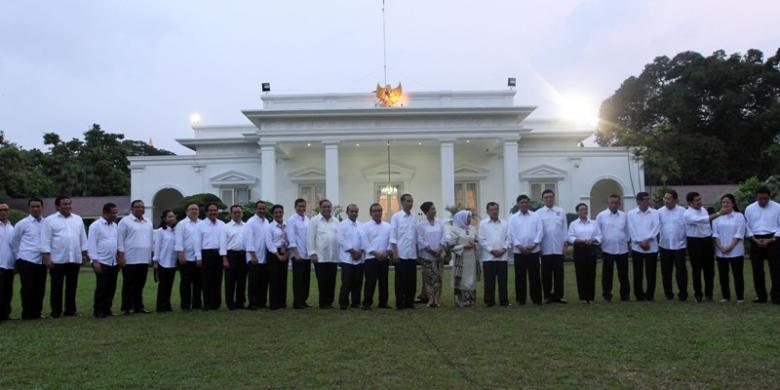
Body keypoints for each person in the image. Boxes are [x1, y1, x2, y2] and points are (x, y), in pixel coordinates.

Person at [41, 196, 87, 318]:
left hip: (74, 259)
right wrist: (47, 258)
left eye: (69, 204)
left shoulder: (77, 219)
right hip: (57, 259)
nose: (67, 206)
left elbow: (82, 238)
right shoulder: (49, 220)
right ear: (57, 206)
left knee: (72, 286)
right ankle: (56, 311)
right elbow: (45, 240)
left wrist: (84, 253)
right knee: (56, 287)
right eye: (64, 204)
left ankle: (70, 310)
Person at [11, 198, 47, 320]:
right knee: (27, 288)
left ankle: (37, 312)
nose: (36, 208)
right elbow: (15, 242)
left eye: (38, 206)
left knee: (40, 288)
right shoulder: (22, 224)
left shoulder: (46, 223)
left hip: (41, 261)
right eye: (33, 206)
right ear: (29, 208)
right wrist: (19, 257)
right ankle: (27, 313)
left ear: (42, 207)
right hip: (27, 260)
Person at [744, 187, 780, 303]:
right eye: (760, 199)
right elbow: (746, 226)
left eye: (765, 199)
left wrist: (772, 239)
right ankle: (761, 296)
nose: (763, 201)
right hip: (756, 239)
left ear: (770, 196)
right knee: (757, 270)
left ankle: (776, 297)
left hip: (774, 239)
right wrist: (755, 239)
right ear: (756, 197)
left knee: (776, 269)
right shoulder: (749, 208)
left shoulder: (778, 207)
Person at [118, 200, 154, 314]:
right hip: (130, 259)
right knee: (128, 284)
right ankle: (126, 307)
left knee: (140, 284)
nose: (140, 209)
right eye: (137, 207)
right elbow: (120, 240)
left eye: (142, 207)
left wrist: (151, 255)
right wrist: (121, 256)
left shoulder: (148, 222)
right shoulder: (125, 221)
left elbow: (151, 240)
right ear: (132, 208)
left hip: (143, 258)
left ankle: (139, 307)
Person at [507, 194, 544, 305]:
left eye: (526, 202)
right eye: (522, 202)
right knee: (520, 276)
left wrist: (533, 245)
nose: (524, 204)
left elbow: (540, 231)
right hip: (519, 252)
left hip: (534, 251)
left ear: (529, 203)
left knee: (535, 276)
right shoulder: (512, 218)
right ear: (518, 204)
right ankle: (521, 299)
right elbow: (511, 234)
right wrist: (520, 246)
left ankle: (536, 299)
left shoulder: (536, 216)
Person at [684, 191, 719, 302]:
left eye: (700, 199)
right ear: (690, 202)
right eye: (697, 200)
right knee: (697, 270)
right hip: (695, 242)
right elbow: (701, 221)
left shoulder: (703, 210)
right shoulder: (687, 213)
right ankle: (698, 294)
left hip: (707, 240)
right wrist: (719, 213)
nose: (700, 202)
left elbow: (707, 225)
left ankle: (709, 294)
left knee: (709, 269)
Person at [596, 194, 631, 302]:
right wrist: (600, 244)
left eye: (616, 202)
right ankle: (607, 295)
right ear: (608, 203)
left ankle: (625, 295)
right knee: (607, 274)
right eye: (612, 202)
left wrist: (628, 243)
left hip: (622, 249)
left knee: (624, 274)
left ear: (619, 203)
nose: (614, 204)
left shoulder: (624, 216)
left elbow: (627, 231)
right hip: (607, 249)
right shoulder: (601, 216)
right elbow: (598, 231)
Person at [712, 194, 747, 303]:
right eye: (723, 202)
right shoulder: (716, 217)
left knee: (738, 274)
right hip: (721, 251)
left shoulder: (739, 216)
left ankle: (740, 297)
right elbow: (715, 234)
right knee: (723, 275)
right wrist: (721, 247)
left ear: (733, 203)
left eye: (728, 202)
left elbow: (739, 233)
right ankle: (725, 296)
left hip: (736, 250)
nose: (726, 204)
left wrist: (730, 247)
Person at [627, 192, 660, 301]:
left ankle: (650, 294)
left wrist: (647, 239)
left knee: (651, 272)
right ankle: (639, 295)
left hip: (651, 246)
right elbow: (631, 229)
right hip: (637, 247)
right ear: (638, 201)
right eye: (645, 199)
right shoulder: (631, 214)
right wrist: (639, 241)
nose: (648, 201)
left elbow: (656, 227)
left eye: (648, 199)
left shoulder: (655, 213)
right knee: (638, 272)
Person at [87, 203, 119, 318]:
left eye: (116, 212)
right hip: (101, 261)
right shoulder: (95, 226)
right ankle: (98, 310)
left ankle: (107, 309)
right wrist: (95, 261)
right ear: (105, 212)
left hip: (113, 261)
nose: (115, 215)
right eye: (113, 212)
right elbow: (91, 244)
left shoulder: (115, 226)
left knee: (111, 287)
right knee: (102, 287)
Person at [307, 199, 340, 309]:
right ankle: (323, 302)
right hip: (320, 257)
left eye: (328, 207)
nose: (327, 209)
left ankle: (329, 302)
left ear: (331, 208)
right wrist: (312, 253)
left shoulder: (335, 221)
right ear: (320, 208)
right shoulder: (314, 221)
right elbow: (310, 238)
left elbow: (338, 238)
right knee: (322, 280)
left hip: (333, 256)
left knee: (332, 280)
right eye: (324, 207)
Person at [657, 190, 688, 301]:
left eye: (668, 198)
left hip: (679, 245)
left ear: (675, 200)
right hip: (664, 245)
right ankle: (668, 294)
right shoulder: (659, 212)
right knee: (666, 272)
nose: (666, 201)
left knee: (681, 271)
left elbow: (687, 228)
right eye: (665, 198)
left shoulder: (683, 211)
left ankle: (683, 293)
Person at [538, 189, 568, 304]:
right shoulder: (538, 213)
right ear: (542, 199)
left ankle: (559, 296)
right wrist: (539, 247)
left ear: (554, 198)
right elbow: (538, 231)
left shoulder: (561, 211)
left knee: (559, 274)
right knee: (546, 274)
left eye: (551, 197)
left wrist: (565, 244)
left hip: (558, 248)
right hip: (545, 248)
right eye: (546, 197)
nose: (549, 199)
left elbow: (564, 228)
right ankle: (547, 296)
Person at [478, 202, 511, 307]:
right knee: (489, 281)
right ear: (487, 211)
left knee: (503, 281)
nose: (494, 211)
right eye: (492, 209)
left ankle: (504, 301)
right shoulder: (483, 224)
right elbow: (481, 239)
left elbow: (509, 238)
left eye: (496, 209)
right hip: (488, 257)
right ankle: (489, 301)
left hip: (502, 257)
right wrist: (491, 250)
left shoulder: (505, 223)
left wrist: (503, 249)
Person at [360, 203, 392, 309]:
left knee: (384, 282)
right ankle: (367, 303)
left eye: (379, 210)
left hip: (384, 258)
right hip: (371, 258)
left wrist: (387, 252)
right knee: (370, 282)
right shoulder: (365, 226)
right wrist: (375, 253)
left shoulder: (388, 226)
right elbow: (364, 242)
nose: (378, 212)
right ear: (370, 213)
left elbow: (390, 241)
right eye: (375, 211)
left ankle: (383, 303)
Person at [568, 203, 601, 304]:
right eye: (581, 210)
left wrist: (593, 239)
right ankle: (582, 297)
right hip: (579, 248)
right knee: (580, 273)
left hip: (591, 248)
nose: (584, 211)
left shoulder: (594, 223)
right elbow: (570, 237)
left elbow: (600, 235)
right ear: (577, 211)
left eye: (585, 209)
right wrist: (581, 241)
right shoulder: (573, 224)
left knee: (591, 273)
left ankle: (590, 297)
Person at [391, 193, 418, 310]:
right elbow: (393, 237)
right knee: (400, 281)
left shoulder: (415, 217)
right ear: (402, 203)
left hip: (412, 254)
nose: (410, 203)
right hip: (401, 254)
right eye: (407, 201)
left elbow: (416, 237)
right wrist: (395, 254)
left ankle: (410, 302)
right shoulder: (396, 217)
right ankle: (400, 303)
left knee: (412, 281)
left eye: (411, 201)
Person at [417, 202, 446, 308]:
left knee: (438, 277)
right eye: (432, 209)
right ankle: (430, 299)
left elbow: (444, 236)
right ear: (427, 212)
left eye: (435, 209)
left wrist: (440, 247)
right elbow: (420, 238)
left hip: (439, 254)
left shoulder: (440, 222)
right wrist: (429, 249)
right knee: (429, 278)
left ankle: (437, 299)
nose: (435, 211)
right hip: (427, 256)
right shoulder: (421, 224)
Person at [175, 201, 202, 311]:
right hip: (186, 258)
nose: (194, 211)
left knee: (198, 283)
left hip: (199, 258)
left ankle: (197, 304)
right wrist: (181, 255)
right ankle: (185, 305)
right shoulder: (181, 224)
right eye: (192, 209)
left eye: (196, 209)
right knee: (186, 283)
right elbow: (178, 240)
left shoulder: (202, 223)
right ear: (186, 211)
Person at [448, 210, 479, 307]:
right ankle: (460, 300)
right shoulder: (454, 230)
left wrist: (475, 244)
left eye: (470, 217)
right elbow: (450, 246)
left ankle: (470, 300)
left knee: (471, 278)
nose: (469, 220)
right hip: (461, 260)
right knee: (461, 279)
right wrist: (463, 246)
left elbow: (478, 242)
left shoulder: (473, 229)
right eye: (467, 218)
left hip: (472, 259)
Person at [199, 202, 225, 310]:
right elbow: (197, 242)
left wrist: (224, 256)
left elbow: (224, 242)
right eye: (211, 210)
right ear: (206, 212)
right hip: (206, 254)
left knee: (217, 279)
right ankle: (208, 303)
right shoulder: (201, 224)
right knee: (206, 280)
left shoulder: (222, 224)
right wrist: (198, 257)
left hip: (218, 254)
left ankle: (216, 303)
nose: (213, 212)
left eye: (215, 210)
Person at [338, 204, 364, 309]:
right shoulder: (342, 225)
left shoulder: (361, 225)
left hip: (359, 258)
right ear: (347, 212)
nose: (354, 213)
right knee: (347, 282)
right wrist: (352, 251)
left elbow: (364, 239)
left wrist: (360, 251)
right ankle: (343, 303)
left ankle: (356, 302)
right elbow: (340, 239)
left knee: (358, 282)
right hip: (347, 258)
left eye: (356, 212)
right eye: (352, 211)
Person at [244, 201, 269, 309]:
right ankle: (252, 303)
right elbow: (248, 240)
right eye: (260, 208)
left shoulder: (266, 221)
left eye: (264, 209)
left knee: (263, 282)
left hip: (264, 258)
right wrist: (253, 255)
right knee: (253, 282)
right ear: (255, 209)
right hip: (254, 257)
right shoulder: (251, 222)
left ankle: (261, 302)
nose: (262, 210)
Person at [221, 205, 246, 310]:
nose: (237, 214)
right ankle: (230, 303)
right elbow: (222, 244)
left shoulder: (246, 226)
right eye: (235, 212)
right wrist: (225, 259)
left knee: (242, 280)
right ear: (231, 214)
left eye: (239, 212)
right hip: (231, 255)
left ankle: (240, 302)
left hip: (244, 255)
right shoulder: (226, 227)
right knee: (230, 281)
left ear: (242, 213)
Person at [287, 198, 312, 309]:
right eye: (299, 206)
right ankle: (297, 302)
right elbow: (291, 238)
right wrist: (295, 254)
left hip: (307, 255)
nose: (302, 208)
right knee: (298, 280)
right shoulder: (292, 220)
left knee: (306, 280)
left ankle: (304, 300)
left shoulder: (307, 219)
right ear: (295, 207)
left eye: (303, 206)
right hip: (298, 254)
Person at [153, 210, 178, 312]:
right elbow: (157, 247)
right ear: (164, 219)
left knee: (169, 285)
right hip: (163, 262)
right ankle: (161, 306)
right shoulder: (160, 231)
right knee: (163, 285)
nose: (172, 218)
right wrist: (155, 262)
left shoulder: (176, 231)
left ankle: (167, 305)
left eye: (173, 216)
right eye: (169, 217)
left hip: (173, 262)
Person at [265, 204, 288, 310]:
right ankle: (274, 304)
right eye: (276, 213)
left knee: (283, 278)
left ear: (283, 213)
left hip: (285, 251)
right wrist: (278, 255)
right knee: (274, 279)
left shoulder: (287, 225)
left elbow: (290, 239)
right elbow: (269, 243)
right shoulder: (269, 227)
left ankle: (282, 303)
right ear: (272, 214)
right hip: (274, 253)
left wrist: (286, 253)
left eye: (280, 212)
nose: (278, 214)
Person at [0, 202, 15, 321]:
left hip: (9, 265)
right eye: (1, 210)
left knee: (7, 290)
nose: (3, 212)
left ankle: (5, 314)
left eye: (5, 210)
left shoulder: (12, 228)